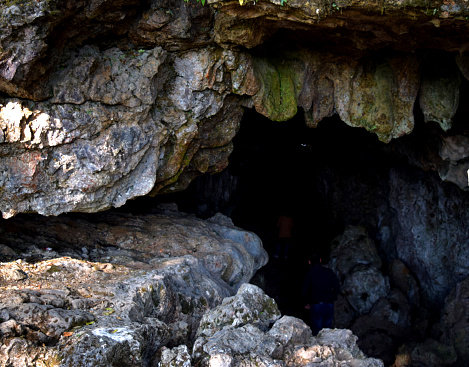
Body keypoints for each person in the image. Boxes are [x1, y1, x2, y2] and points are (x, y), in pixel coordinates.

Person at [302, 254, 340, 335]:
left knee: (317, 330)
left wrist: (306, 302)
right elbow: (337, 286)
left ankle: (319, 347)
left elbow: (305, 289)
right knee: (328, 329)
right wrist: (334, 297)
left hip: (316, 304)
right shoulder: (329, 272)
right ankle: (329, 346)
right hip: (329, 304)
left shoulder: (309, 274)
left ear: (309, 262)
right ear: (320, 260)